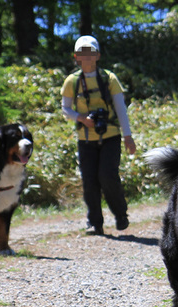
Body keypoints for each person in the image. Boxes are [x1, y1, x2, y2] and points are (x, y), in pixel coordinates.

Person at [61, 35, 136, 236]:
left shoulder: (109, 79)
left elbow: (121, 109)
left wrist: (128, 137)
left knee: (107, 176)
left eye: (90, 54)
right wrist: (81, 118)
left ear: (98, 56)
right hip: (85, 139)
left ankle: (121, 214)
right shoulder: (72, 81)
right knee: (89, 181)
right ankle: (95, 222)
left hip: (110, 136)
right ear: (76, 57)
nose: (87, 58)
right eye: (82, 54)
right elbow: (65, 109)